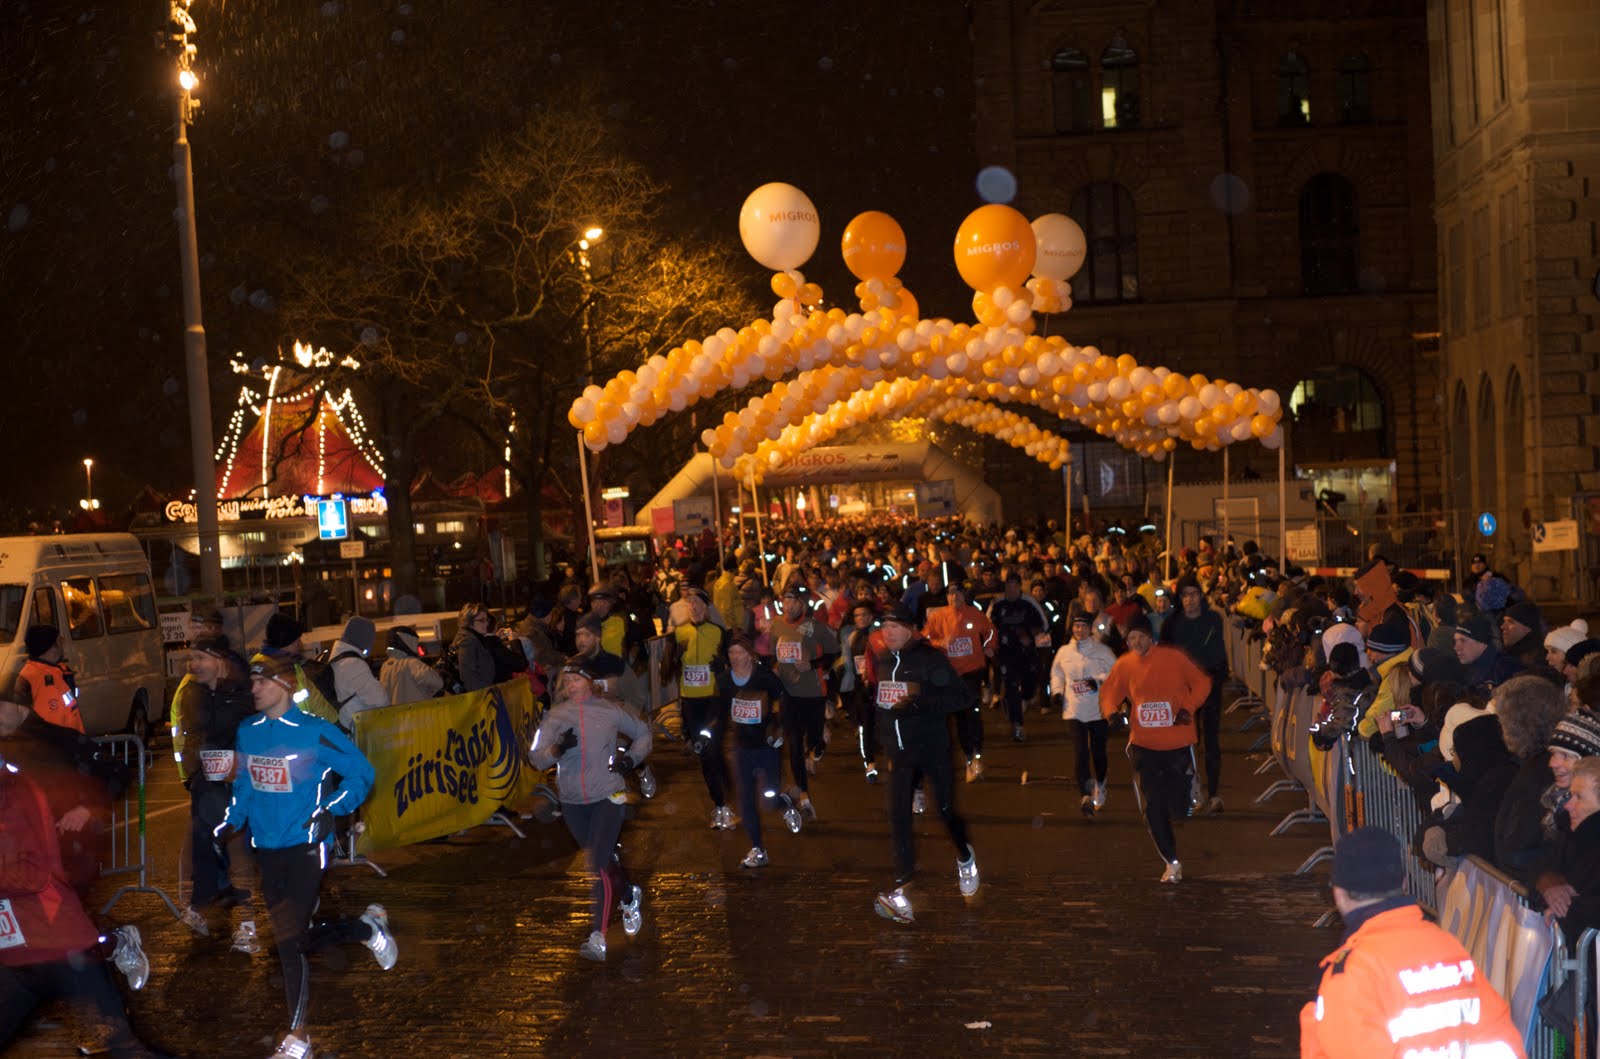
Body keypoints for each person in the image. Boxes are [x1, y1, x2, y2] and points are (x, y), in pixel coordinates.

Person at [217, 653, 396, 1059]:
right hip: (266, 848)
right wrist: (232, 821)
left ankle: (298, 1038)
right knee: (295, 938)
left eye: (261, 682)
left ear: (282, 684)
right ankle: (366, 930)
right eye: (253, 684)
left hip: (307, 846)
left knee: (287, 940)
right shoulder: (248, 732)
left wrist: (331, 810)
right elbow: (244, 784)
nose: (254, 690)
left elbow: (361, 773)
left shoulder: (315, 732)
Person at [1299, 827, 1524, 1059]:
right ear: (1404, 883)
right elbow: (1503, 1041)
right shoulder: (1448, 948)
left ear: (1339, 893)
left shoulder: (1352, 971)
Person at [0, 746, 159, 1057]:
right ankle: (112, 941)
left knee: (125, 1050)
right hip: (16, 955)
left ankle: (113, 941)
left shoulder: (14, 796)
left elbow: (34, 873)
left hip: (59, 945)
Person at [529, 660, 652, 961]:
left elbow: (643, 733)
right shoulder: (556, 716)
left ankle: (598, 936)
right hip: (572, 802)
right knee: (604, 860)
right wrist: (557, 750)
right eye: (566, 681)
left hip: (609, 795)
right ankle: (628, 895)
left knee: (596, 865)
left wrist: (630, 760)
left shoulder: (610, 710)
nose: (570, 686)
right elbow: (536, 758)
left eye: (576, 680)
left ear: (590, 682)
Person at [872, 606, 979, 924]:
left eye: (894, 626)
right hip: (900, 755)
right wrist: (881, 741)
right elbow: (881, 706)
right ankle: (902, 889)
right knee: (899, 817)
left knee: (945, 811)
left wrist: (921, 703)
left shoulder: (930, 659)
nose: (887, 632)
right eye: (884, 626)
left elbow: (963, 697)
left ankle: (965, 856)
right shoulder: (884, 661)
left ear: (910, 630)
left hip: (933, 749)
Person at [1097, 613, 1211, 882]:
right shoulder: (1125, 664)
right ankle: (1171, 862)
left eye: (1140, 637)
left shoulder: (1174, 658)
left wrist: (1187, 708)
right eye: (1130, 639)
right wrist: (1112, 713)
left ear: (1151, 637)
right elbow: (1109, 694)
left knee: (1178, 810)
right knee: (1152, 806)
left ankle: (1190, 784)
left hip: (1177, 741)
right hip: (1143, 744)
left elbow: (1202, 683)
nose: (1135, 642)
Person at [171, 637, 256, 940]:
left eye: (201, 658)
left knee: (236, 846)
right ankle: (201, 905)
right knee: (202, 840)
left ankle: (251, 918)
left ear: (220, 661)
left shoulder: (243, 690)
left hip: (239, 781)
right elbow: (190, 735)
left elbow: (253, 729)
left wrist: (239, 762)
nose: (194, 665)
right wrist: (195, 771)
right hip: (206, 782)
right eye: (191, 658)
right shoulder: (192, 693)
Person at [717, 631, 802, 867]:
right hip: (741, 748)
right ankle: (758, 848)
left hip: (766, 747)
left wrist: (777, 728)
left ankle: (784, 804)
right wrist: (712, 737)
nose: (735, 657)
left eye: (740, 652)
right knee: (745, 800)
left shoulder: (764, 678)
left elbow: (783, 702)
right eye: (731, 652)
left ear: (751, 656)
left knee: (768, 799)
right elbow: (721, 713)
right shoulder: (724, 681)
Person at [1158, 575, 1230, 814]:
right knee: (1186, 742)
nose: (1190, 599)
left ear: (1201, 595)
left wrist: (1215, 679)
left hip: (1209, 688)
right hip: (1183, 692)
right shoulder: (1171, 624)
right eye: (1185, 595)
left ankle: (1215, 794)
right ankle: (1193, 791)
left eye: (1194, 594)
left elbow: (1219, 653)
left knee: (1211, 741)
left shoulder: (1213, 619)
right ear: (1179, 598)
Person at [770, 586, 838, 820]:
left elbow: (834, 652)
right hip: (789, 694)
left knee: (814, 739)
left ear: (803, 605)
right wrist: (773, 668)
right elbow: (771, 654)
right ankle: (804, 795)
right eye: (785, 600)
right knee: (794, 745)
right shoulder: (776, 625)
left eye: (793, 601)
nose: (788, 605)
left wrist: (814, 663)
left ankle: (819, 743)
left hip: (813, 693)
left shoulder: (813, 626)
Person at [670, 586, 733, 828]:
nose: (693, 607)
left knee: (711, 749)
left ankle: (721, 804)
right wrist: (674, 656)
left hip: (713, 701)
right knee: (705, 755)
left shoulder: (718, 632)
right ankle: (721, 799)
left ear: (706, 607)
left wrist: (721, 667)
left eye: (698, 603)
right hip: (690, 702)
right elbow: (669, 669)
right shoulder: (680, 632)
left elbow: (730, 664)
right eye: (690, 603)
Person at [922, 581, 996, 781]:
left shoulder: (974, 614)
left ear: (964, 595)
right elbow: (924, 639)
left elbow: (990, 632)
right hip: (949, 675)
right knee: (959, 717)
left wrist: (989, 647)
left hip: (972, 672)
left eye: (958, 593)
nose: (954, 597)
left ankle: (976, 755)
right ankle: (969, 757)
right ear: (947, 597)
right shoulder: (938, 617)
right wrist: (940, 643)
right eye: (951, 594)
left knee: (971, 711)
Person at [1050, 606, 1117, 815]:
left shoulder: (1102, 651)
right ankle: (1086, 795)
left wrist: (1098, 682)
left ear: (1090, 629)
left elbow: (1117, 675)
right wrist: (1057, 691)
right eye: (1076, 626)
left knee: (1098, 752)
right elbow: (1057, 673)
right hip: (1074, 709)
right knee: (1080, 752)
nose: (1079, 630)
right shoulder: (1064, 652)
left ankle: (1101, 783)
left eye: (1083, 626)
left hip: (1098, 710)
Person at [988, 572, 1045, 741]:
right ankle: (1017, 724)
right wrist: (993, 645)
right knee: (1011, 687)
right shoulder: (997, 604)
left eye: (1015, 586)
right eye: (1009, 586)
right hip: (1006, 652)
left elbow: (1042, 624)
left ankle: (1024, 698)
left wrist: (1029, 635)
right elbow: (988, 627)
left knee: (1029, 686)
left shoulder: (1028, 603)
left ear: (1020, 587)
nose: (1012, 589)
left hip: (1026, 652)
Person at [837, 601, 881, 782]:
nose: (860, 618)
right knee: (865, 725)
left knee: (882, 724)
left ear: (871, 617)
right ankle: (869, 763)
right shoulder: (850, 635)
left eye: (864, 614)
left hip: (879, 686)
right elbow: (846, 661)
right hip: (858, 686)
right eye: (857, 615)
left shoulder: (880, 635)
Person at [14, 624, 83, 733]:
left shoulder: (50, 672)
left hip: (67, 744)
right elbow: (53, 723)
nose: (63, 645)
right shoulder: (43, 679)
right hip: (62, 746)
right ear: (51, 648)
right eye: (60, 641)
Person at [329, 615, 389, 730]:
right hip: (355, 731)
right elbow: (380, 700)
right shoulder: (353, 664)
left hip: (341, 727)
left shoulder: (335, 659)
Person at [379, 625, 444, 705]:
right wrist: (429, 692)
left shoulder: (385, 666)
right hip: (417, 713)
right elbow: (437, 682)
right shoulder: (411, 663)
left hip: (396, 715)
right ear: (409, 641)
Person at [446, 602, 498, 692]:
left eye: (487, 620)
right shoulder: (468, 641)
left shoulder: (473, 638)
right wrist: (481, 696)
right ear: (469, 622)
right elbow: (468, 675)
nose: (486, 623)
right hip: (477, 698)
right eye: (481, 620)